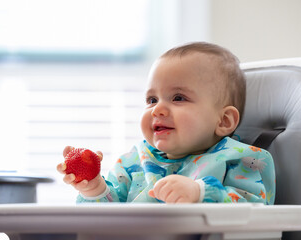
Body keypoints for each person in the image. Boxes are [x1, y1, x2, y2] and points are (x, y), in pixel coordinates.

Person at [57, 42, 275, 204]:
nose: (157, 109)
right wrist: (94, 188)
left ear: (224, 120)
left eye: (178, 98)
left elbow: (256, 208)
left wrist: (200, 193)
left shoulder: (241, 159)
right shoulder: (134, 161)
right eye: (152, 100)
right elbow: (107, 219)